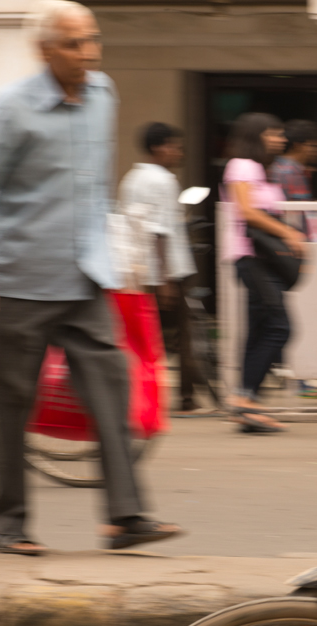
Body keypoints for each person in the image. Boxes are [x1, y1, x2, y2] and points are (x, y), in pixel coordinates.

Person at [0, 0, 182, 555]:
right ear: (44, 50)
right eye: (75, 44)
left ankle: (125, 516)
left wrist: (116, 249)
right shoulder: (11, 108)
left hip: (86, 277)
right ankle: (6, 524)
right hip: (21, 278)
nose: (89, 53)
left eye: (92, 40)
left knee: (111, 388)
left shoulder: (103, 94)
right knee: (14, 402)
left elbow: (94, 184)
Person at [118, 122, 211, 412]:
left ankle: (137, 393)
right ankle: (186, 397)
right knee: (182, 335)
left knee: (142, 335)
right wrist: (165, 279)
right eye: (175, 147)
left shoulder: (131, 179)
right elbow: (159, 232)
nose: (179, 153)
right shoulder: (163, 181)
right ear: (159, 147)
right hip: (166, 271)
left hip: (135, 269)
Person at [221, 112, 303, 433]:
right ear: (255, 136)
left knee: (258, 330)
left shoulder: (260, 169)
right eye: (273, 133)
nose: (280, 139)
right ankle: (244, 399)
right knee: (280, 327)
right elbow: (246, 211)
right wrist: (289, 234)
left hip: (262, 260)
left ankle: (246, 402)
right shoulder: (242, 165)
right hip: (252, 258)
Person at [272, 119, 317, 201]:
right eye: (314, 146)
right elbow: (302, 206)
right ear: (298, 145)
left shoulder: (276, 165)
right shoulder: (291, 172)